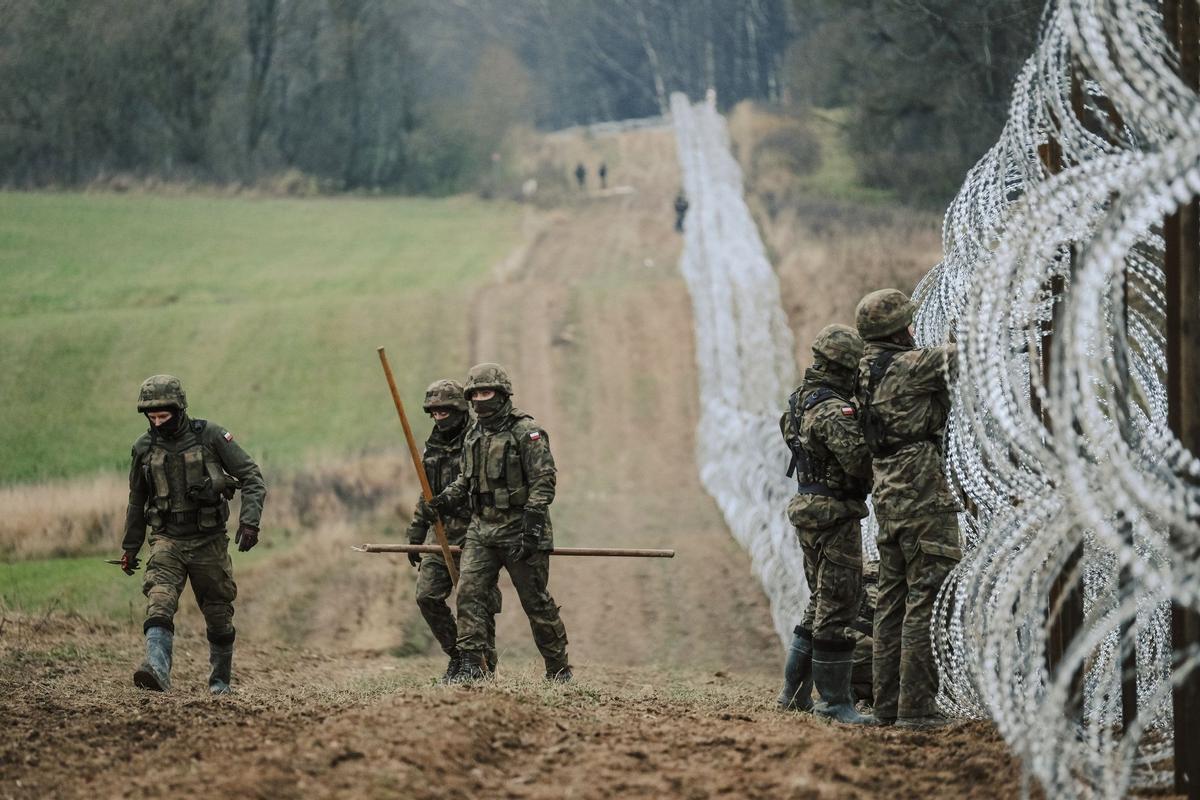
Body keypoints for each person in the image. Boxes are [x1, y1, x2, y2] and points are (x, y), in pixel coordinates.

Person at [118, 374, 266, 694]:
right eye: (152, 417)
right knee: (159, 599)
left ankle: (220, 683)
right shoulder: (143, 448)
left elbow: (252, 477)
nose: (158, 423)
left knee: (218, 614)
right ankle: (157, 668)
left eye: (164, 416)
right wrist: (130, 547)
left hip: (208, 540)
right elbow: (136, 501)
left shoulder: (211, 436)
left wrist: (250, 522)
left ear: (180, 408)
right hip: (166, 538)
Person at [855, 288, 962, 730]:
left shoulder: (867, 370)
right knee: (927, 601)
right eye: (910, 324)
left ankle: (886, 705)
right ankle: (917, 708)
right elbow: (964, 357)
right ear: (899, 330)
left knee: (893, 603)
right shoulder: (909, 367)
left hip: (888, 498)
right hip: (921, 495)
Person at [425, 363, 571, 683]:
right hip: (482, 529)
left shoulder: (526, 431)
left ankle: (558, 670)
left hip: (520, 530)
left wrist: (532, 527)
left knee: (536, 602)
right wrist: (442, 500)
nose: (480, 400)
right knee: (469, 595)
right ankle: (473, 667)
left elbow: (544, 481)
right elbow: (465, 479)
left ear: (502, 394)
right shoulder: (474, 434)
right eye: (474, 394)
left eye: (486, 392)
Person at [777, 324, 875, 725]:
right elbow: (858, 462)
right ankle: (834, 702)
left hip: (809, 507)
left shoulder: (801, 400)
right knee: (839, 605)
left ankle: (793, 693)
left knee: (820, 600)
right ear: (843, 366)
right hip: (834, 512)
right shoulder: (834, 409)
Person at [404, 379, 499, 681]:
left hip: (476, 530)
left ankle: (482, 661)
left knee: (475, 598)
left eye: (444, 410)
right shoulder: (433, 446)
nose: (438, 415)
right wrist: (416, 533)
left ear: (459, 409)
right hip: (440, 531)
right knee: (427, 596)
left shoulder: (478, 440)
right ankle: (457, 655)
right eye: (433, 411)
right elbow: (426, 490)